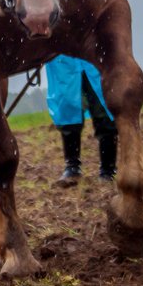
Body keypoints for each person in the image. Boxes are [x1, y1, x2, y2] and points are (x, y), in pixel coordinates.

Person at [45, 55, 117, 187]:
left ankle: (108, 170)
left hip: (93, 57)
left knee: (104, 111)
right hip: (63, 61)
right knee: (67, 112)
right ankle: (72, 167)